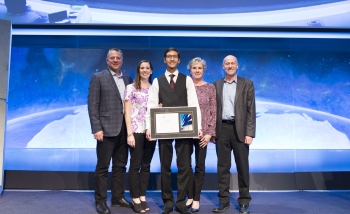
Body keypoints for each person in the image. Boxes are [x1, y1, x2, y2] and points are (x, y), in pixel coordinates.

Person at [145, 48, 202, 214]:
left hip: (184, 126)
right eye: (168, 57)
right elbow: (151, 105)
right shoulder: (157, 81)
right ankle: (168, 203)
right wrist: (150, 127)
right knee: (165, 166)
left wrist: (196, 128)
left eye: (174, 57)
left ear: (178, 60)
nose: (171, 59)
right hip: (164, 127)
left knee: (184, 166)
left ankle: (181, 202)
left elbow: (193, 104)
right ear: (164, 60)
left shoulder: (187, 80)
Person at [88, 48, 133, 214]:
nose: (115, 60)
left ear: (122, 60)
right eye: (112, 58)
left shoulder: (128, 78)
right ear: (107, 60)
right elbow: (93, 105)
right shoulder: (98, 77)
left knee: (120, 166)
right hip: (106, 130)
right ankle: (100, 201)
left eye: (118, 58)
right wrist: (97, 128)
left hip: (124, 129)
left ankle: (117, 198)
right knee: (102, 167)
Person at [212, 55, 256, 214]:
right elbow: (212, 110)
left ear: (237, 66)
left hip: (240, 131)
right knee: (222, 168)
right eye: (227, 64)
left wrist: (249, 133)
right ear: (223, 66)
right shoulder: (216, 84)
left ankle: (244, 201)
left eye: (232, 63)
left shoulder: (247, 84)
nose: (230, 66)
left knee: (243, 167)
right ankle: (223, 201)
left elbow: (251, 111)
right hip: (221, 130)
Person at [124, 60, 156, 213]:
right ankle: (135, 197)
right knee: (135, 165)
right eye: (142, 68)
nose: (144, 70)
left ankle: (142, 196)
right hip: (136, 130)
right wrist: (129, 133)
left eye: (147, 68)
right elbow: (127, 112)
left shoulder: (155, 89)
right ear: (138, 70)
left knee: (146, 165)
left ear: (151, 71)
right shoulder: (131, 88)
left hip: (151, 131)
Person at [185, 57, 216, 213]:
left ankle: (196, 198)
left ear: (204, 70)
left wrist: (209, 133)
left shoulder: (210, 88)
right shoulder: (184, 87)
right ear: (189, 70)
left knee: (199, 166)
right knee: (185, 166)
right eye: (194, 68)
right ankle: (189, 196)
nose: (197, 70)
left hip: (203, 134)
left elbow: (213, 112)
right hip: (185, 132)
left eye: (200, 68)